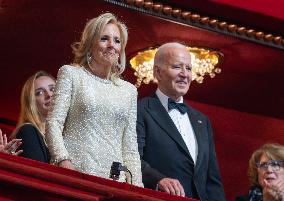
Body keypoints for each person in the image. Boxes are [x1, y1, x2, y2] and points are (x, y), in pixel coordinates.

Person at [45, 13, 143, 187]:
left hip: (114, 184)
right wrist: (63, 162)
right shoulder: (71, 74)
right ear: (90, 44)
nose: (112, 45)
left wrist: (136, 187)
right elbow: (53, 123)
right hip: (74, 176)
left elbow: (130, 147)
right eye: (104, 39)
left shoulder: (129, 91)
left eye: (117, 41)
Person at [137, 42, 226, 200]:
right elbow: (132, 158)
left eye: (189, 68)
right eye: (177, 67)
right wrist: (157, 179)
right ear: (157, 72)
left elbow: (212, 180)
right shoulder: (141, 110)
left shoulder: (202, 121)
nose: (185, 74)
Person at [11, 71, 55, 163]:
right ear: (31, 103)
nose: (49, 95)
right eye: (39, 93)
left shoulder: (73, 130)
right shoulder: (27, 131)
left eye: (52, 89)